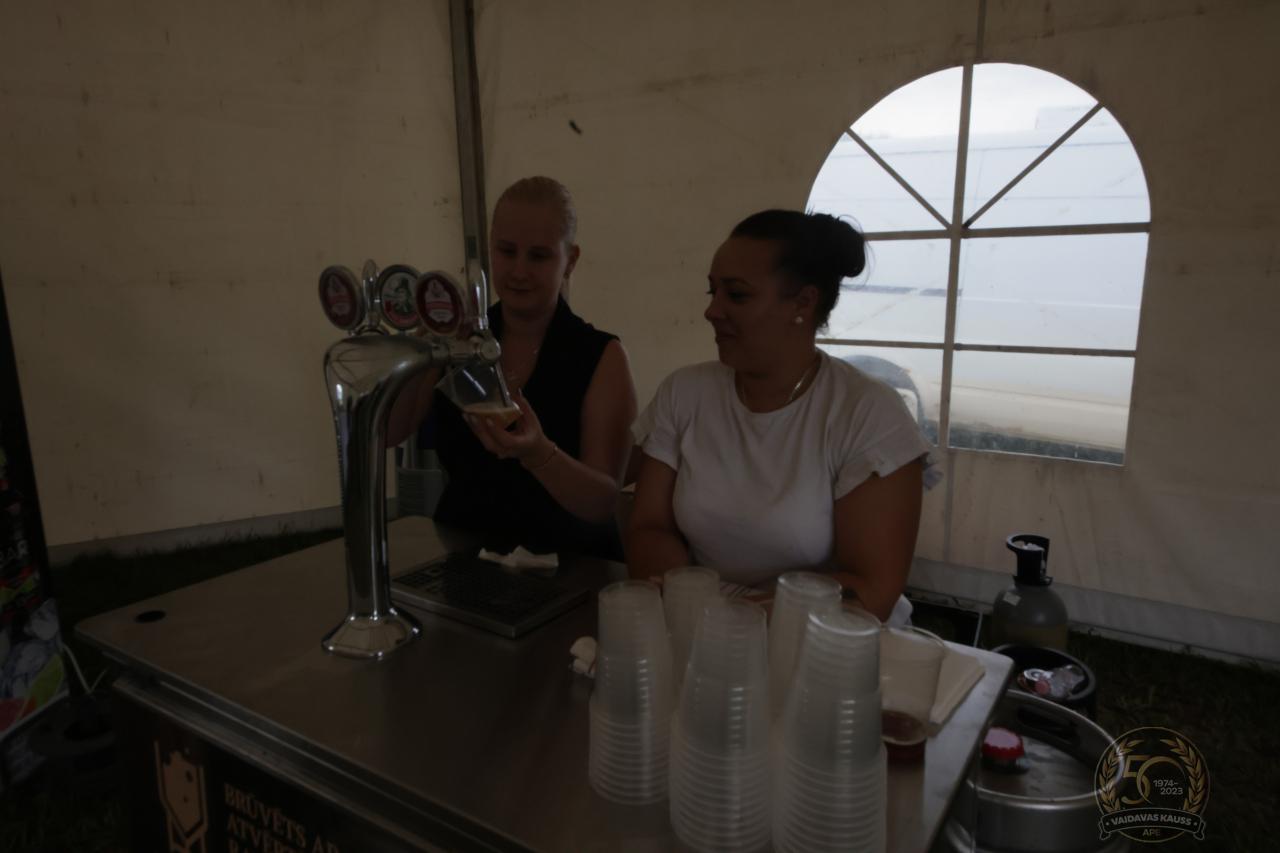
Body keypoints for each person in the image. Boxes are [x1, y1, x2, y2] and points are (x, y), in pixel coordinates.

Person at [626, 209, 932, 624]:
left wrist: (734, 619)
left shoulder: (867, 414)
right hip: (705, 625)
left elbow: (870, 589)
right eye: (712, 291)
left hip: (828, 639)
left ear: (803, 302)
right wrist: (683, 595)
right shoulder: (685, 394)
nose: (712, 311)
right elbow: (650, 526)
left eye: (736, 295)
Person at [393, 177, 637, 560]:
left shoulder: (601, 355)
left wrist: (539, 455)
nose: (519, 271)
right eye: (507, 251)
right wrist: (429, 347)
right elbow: (390, 431)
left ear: (570, 260)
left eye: (538, 256)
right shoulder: (461, 338)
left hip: (572, 570)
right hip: (465, 561)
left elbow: (602, 502)